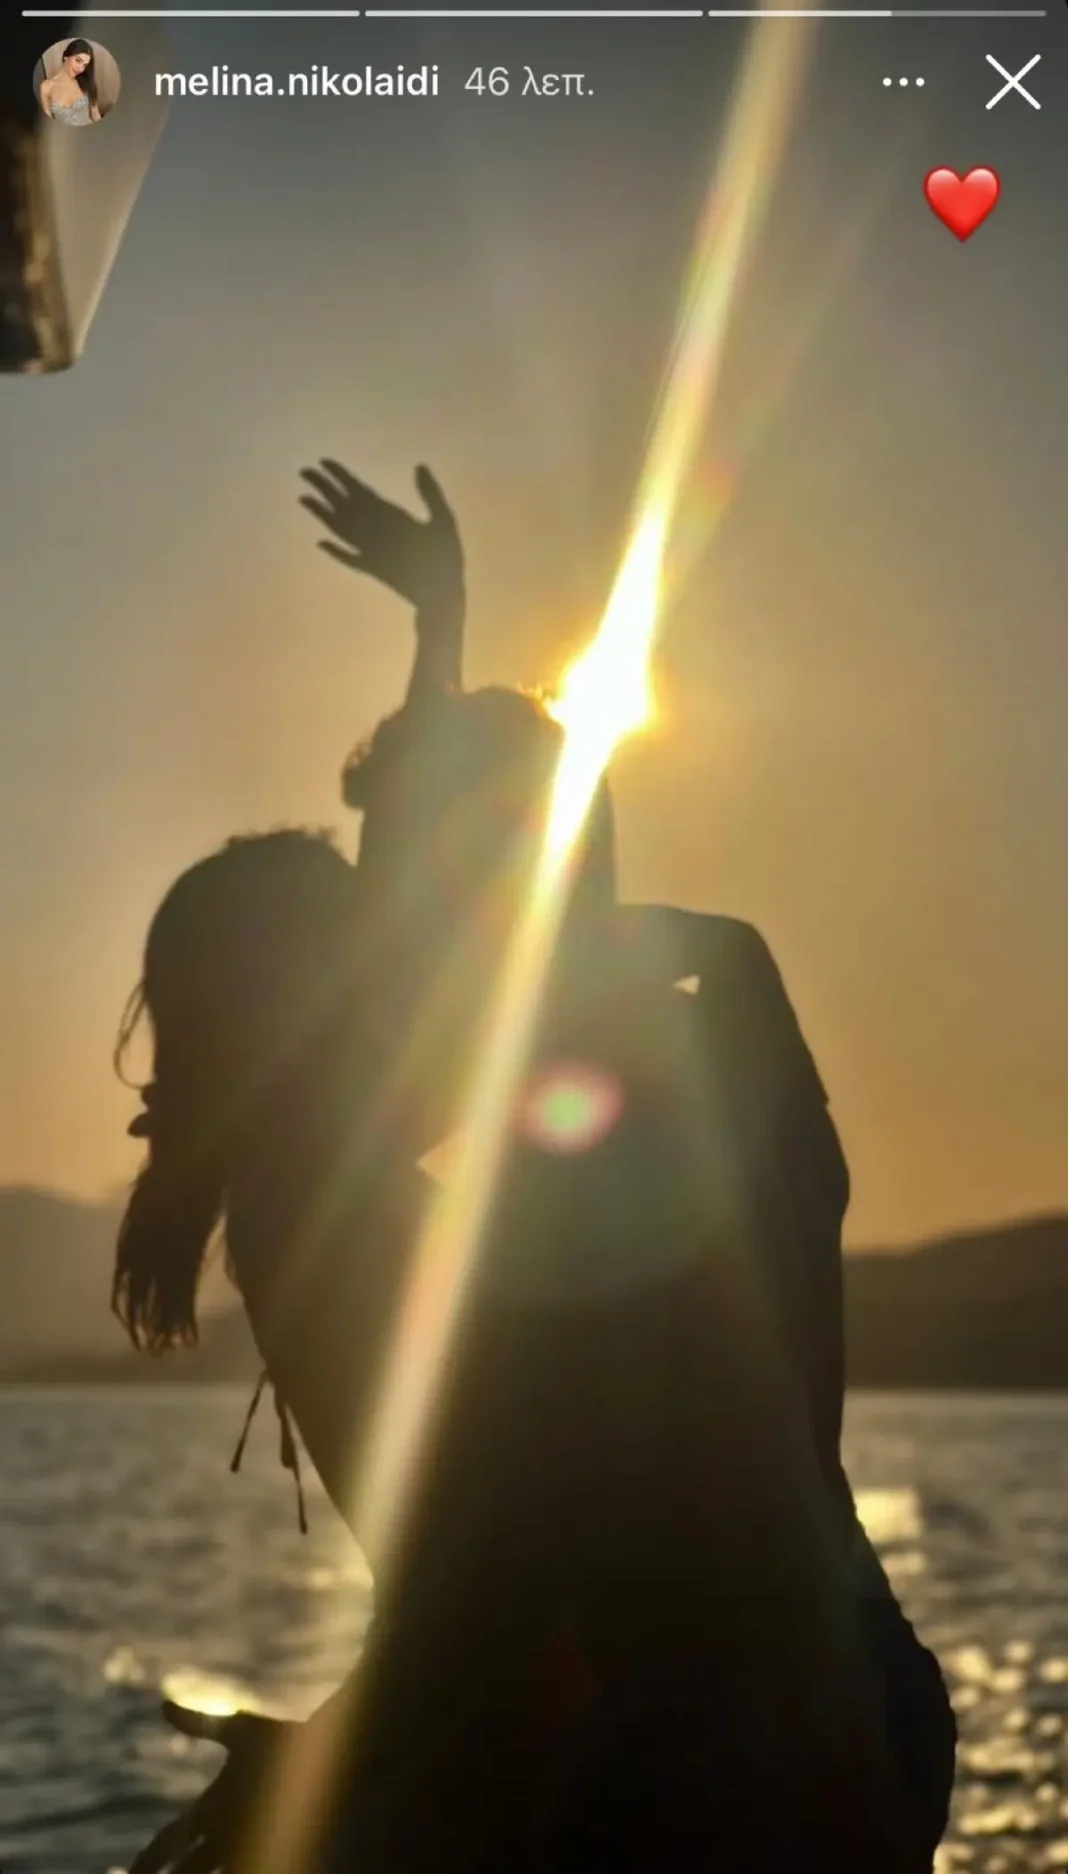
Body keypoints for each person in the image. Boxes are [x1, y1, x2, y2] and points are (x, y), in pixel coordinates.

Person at [115, 464, 954, 1873]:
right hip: (769, 1726)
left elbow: (493, 1583)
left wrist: (319, 1767)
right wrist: (439, 643)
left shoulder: (607, 1104)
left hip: (751, 1754)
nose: (397, 948)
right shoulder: (629, 1055)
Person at [39, 40, 101, 126]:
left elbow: (95, 115)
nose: (80, 69)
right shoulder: (46, 86)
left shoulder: (87, 83)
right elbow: (48, 124)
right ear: (66, 56)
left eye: (85, 65)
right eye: (78, 60)